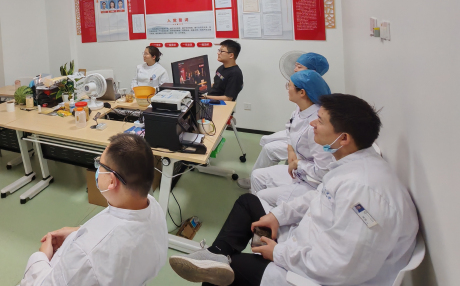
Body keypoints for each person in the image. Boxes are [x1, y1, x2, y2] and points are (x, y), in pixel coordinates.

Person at [169, 93, 419, 286]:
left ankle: (219, 265)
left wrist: (279, 253)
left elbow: (342, 267)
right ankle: (216, 254)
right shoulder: (353, 163)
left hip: (313, 275)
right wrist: (278, 216)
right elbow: (320, 196)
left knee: (226, 272)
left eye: (320, 121)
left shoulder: (363, 192)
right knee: (248, 203)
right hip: (308, 240)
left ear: (343, 138)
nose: (313, 124)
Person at [20, 134, 168, 286]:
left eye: (100, 164)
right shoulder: (152, 207)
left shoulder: (87, 255)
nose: (98, 169)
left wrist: (41, 257)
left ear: (112, 181)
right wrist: (78, 233)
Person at [238, 53, 329, 190]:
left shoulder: (316, 121)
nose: (295, 69)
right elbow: (292, 124)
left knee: (269, 149)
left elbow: (321, 166)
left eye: (299, 66)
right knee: (266, 142)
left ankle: (262, 182)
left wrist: (297, 161)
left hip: (308, 170)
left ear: (302, 92)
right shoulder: (306, 101)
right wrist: (290, 149)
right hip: (296, 143)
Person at [250, 71, 333, 206]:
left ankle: (269, 214)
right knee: (256, 175)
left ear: (302, 93)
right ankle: (260, 210)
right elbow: (290, 127)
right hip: (299, 170)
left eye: (289, 86)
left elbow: (323, 171)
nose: (287, 89)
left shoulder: (316, 124)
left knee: (261, 196)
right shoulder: (301, 109)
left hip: (311, 182)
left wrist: (298, 164)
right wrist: (290, 150)